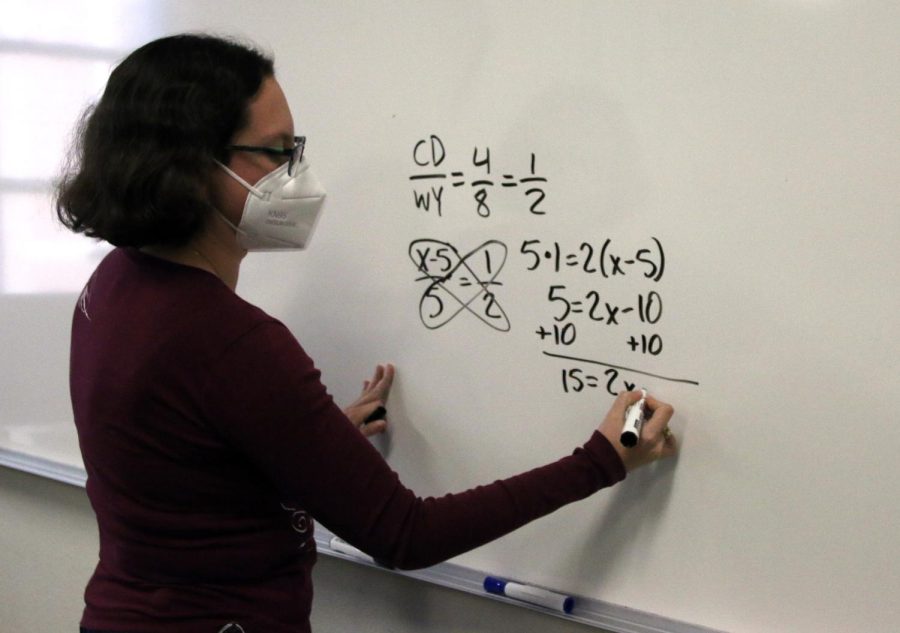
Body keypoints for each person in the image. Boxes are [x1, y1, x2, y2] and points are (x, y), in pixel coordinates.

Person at [56, 34, 677, 633]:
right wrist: (599, 461)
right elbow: (406, 535)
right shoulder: (232, 342)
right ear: (193, 167)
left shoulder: (114, 283)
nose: (297, 174)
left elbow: (178, 456)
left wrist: (307, 439)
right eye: (277, 152)